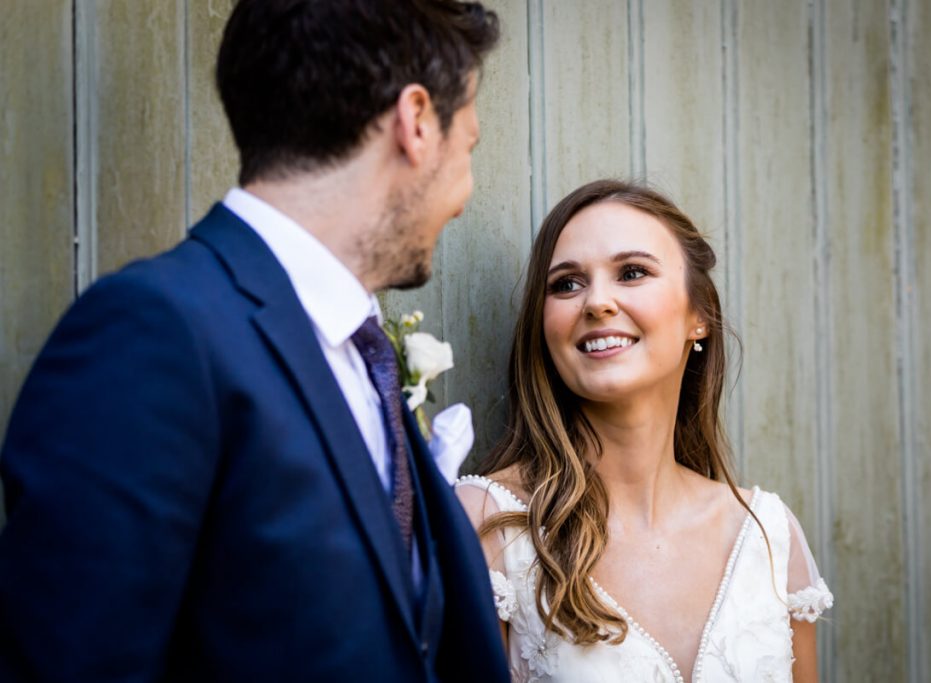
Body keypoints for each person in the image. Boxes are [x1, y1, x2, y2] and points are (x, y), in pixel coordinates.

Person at [0, 1, 509, 681]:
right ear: (416, 123)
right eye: (467, 146)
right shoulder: (152, 335)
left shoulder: (365, 361)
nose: (465, 194)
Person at [456, 180, 833, 682]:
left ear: (698, 315)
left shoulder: (767, 535)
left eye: (632, 273)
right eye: (566, 283)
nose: (597, 302)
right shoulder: (489, 525)